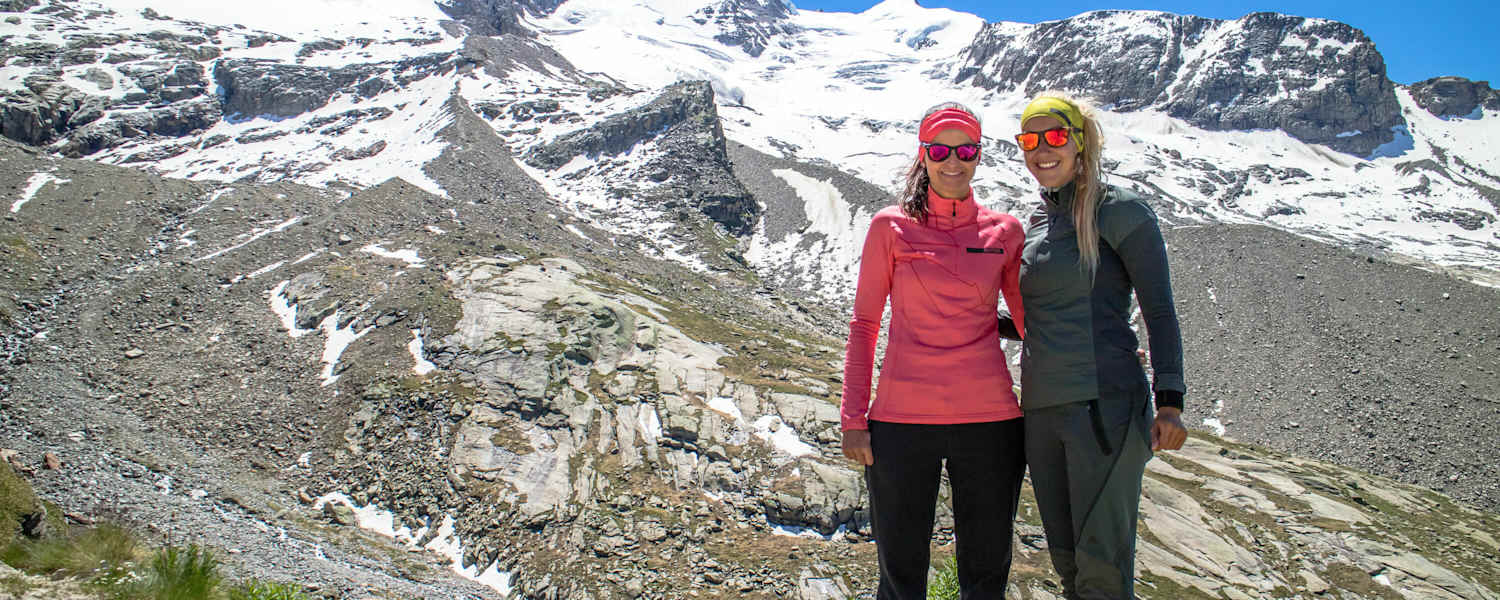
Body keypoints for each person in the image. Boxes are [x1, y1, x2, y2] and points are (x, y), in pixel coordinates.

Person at [1005, 92, 1189, 599]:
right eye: (1029, 140)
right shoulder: (1038, 223)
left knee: (1101, 574)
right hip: (1041, 413)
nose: (1042, 149)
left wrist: (1170, 402)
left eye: (1054, 137)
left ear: (1079, 142)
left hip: (1104, 407)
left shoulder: (1120, 212)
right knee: (1068, 567)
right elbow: (1039, 318)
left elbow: (1159, 312)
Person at [840, 102, 1028, 599]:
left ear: (979, 155)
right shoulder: (889, 226)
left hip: (992, 422)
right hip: (900, 422)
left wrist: (1102, 346)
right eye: (940, 150)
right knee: (900, 577)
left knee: (986, 575)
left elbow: (1031, 325)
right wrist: (853, 418)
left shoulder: (1006, 232)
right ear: (923, 154)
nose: (953, 161)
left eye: (965, 150)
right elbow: (864, 325)